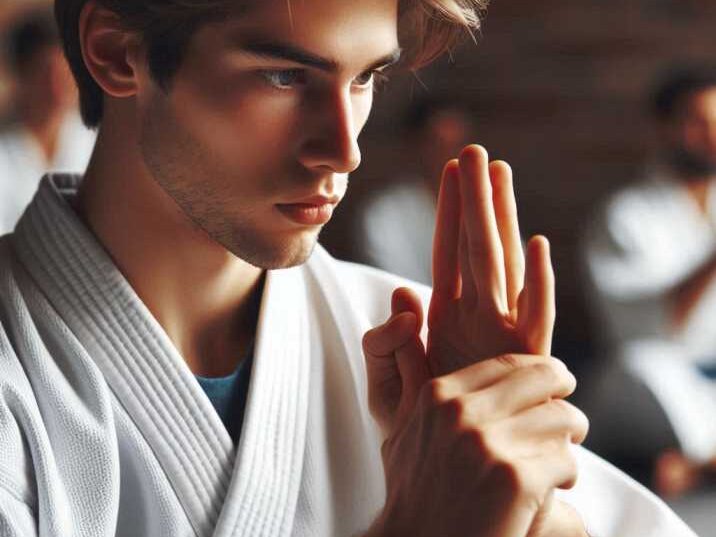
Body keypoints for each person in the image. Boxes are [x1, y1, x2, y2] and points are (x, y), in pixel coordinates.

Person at [0, 1, 696, 536]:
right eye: (284, 76)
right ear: (118, 53)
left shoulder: (418, 349)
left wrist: (530, 502)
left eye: (365, 78)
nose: (344, 148)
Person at [583, 67, 716, 496]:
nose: (712, 135)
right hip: (662, 378)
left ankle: (696, 465)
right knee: (643, 364)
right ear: (665, 127)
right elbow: (644, 329)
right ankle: (701, 458)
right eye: (698, 122)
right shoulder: (625, 214)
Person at [0, 6, 94, 234]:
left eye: (65, 74)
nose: (57, 87)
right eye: (45, 74)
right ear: (22, 76)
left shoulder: (95, 142)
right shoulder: (5, 155)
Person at [360, 97, 472, 284]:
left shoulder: (479, 206)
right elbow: (392, 281)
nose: (449, 155)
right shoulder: (384, 212)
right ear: (416, 146)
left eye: (456, 145)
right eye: (438, 144)